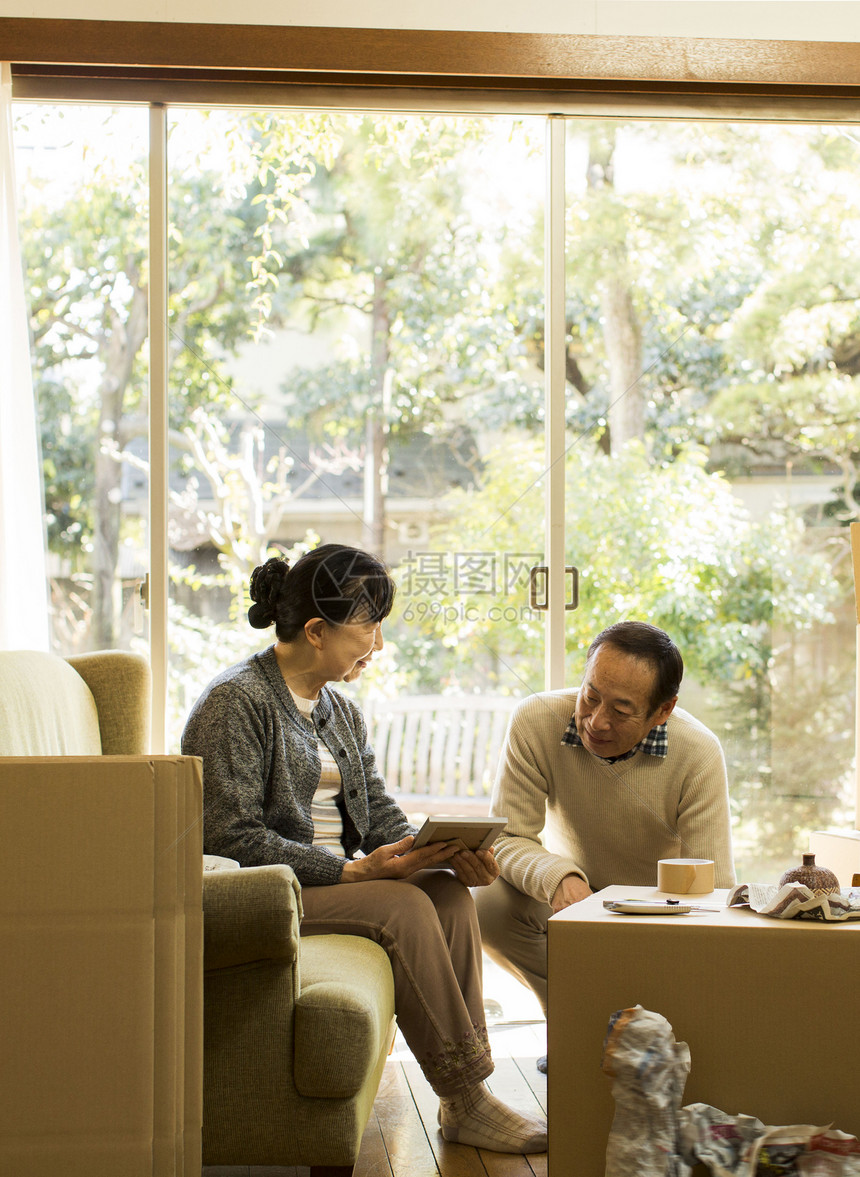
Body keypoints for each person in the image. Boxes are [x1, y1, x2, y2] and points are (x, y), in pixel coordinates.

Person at [182, 543, 546, 1155]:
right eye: (368, 625)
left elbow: (377, 814)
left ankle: (462, 1106)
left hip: (336, 882)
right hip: (269, 894)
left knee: (447, 896)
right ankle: (471, 1091)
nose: (377, 642)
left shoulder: (339, 711)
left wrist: (433, 852)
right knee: (401, 910)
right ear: (318, 632)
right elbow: (225, 836)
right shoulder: (235, 703)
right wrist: (348, 873)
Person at [475, 620, 735, 1070]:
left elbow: (712, 888)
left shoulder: (698, 753)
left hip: (658, 919)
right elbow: (508, 838)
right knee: (487, 904)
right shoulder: (536, 718)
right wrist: (561, 879)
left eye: (621, 709)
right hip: (570, 906)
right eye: (590, 696)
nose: (596, 721)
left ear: (662, 711)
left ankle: (626, 1031)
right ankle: (576, 1024)